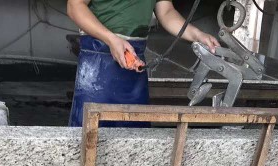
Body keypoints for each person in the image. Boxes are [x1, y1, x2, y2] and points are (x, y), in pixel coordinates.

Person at [67, 0, 220, 127]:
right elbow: (75, 6)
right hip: (97, 60)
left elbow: (166, 12)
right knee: (91, 132)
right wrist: (110, 39)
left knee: (135, 134)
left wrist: (197, 34)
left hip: (134, 62)